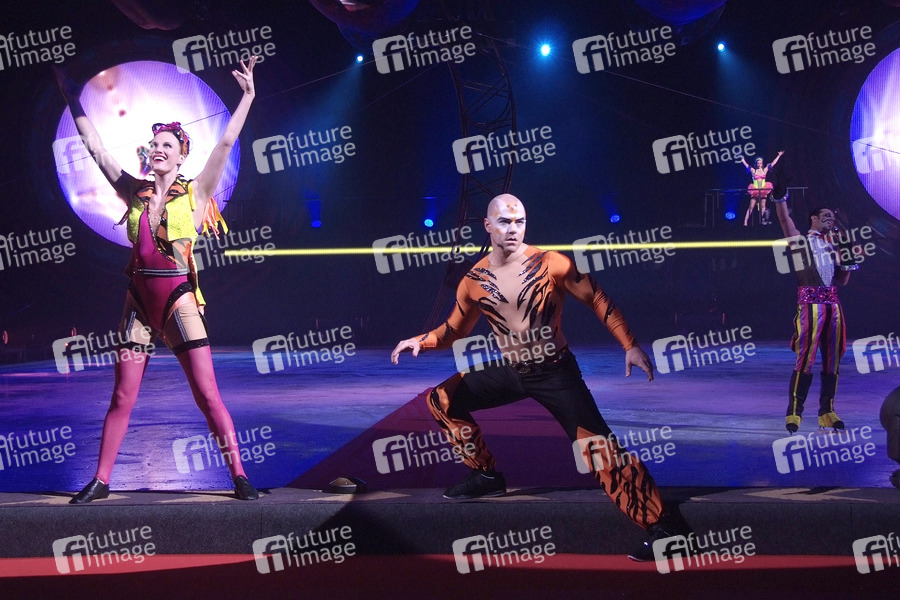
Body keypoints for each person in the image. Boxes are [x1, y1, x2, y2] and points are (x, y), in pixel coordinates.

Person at [390, 194, 688, 559]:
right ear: (488, 226)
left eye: (520, 221)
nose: (513, 229)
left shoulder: (551, 263)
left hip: (555, 373)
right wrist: (420, 341)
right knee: (442, 400)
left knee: (599, 451)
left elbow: (597, 298)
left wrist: (630, 345)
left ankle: (667, 530)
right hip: (512, 370)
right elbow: (454, 331)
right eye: (504, 222)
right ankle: (485, 476)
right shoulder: (473, 280)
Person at [56, 58, 261, 503]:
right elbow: (95, 147)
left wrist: (247, 96)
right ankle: (101, 480)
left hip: (179, 302)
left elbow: (227, 141)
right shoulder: (134, 190)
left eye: (166, 144)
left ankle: (240, 476)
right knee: (121, 397)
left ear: (182, 154)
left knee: (207, 395)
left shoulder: (197, 191)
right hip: (138, 304)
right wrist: (73, 99)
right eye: (154, 145)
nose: (157, 149)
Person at [772, 193, 855, 433]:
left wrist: (847, 256)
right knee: (805, 359)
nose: (831, 219)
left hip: (833, 307)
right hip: (810, 306)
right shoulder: (800, 242)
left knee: (833, 360)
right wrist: (780, 198)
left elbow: (842, 281)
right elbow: (784, 219)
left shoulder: (833, 246)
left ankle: (827, 412)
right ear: (814, 219)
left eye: (832, 217)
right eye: (826, 216)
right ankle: (794, 413)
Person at [742, 151, 784, 226]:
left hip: (763, 190)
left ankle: (763, 220)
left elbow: (773, 163)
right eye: (758, 163)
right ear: (756, 164)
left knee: (763, 206)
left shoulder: (764, 170)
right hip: (755, 190)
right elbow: (747, 165)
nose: (759, 164)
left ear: (762, 163)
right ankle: (745, 222)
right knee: (751, 207)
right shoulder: (754, 171)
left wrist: (779, 156)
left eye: (760, 163)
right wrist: (742, 159)